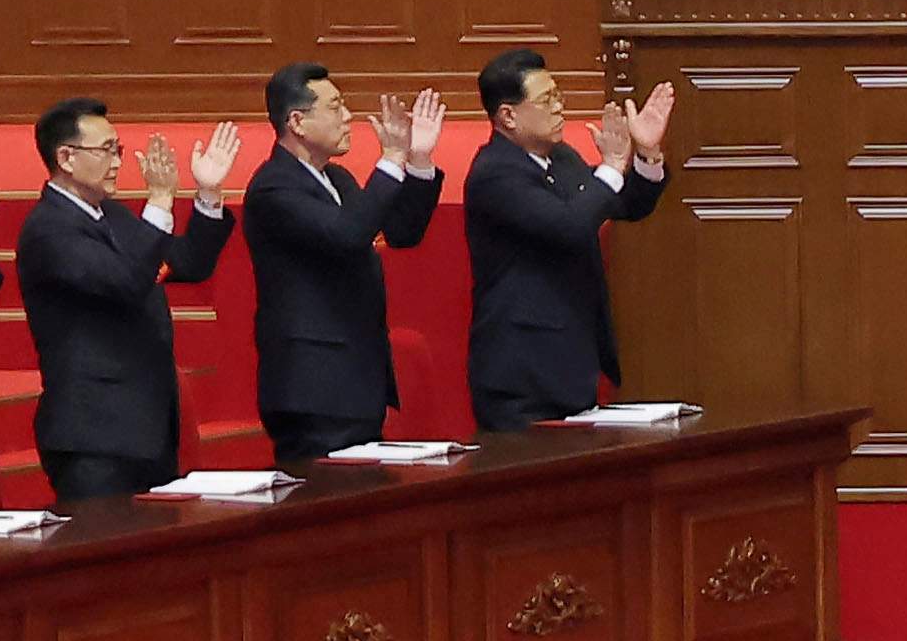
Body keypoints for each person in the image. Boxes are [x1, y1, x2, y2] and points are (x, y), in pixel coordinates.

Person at [11, 99, 244, 509]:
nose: (119, 162)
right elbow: (128, 279)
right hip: (95, 436)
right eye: (107, 151)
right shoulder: (49, 230)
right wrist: (158, 200)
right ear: (66, 157)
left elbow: (186, 262)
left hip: (145, 427)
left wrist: (207, 193)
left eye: (117, 150)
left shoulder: (112, 217)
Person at [238, 62, 449, 460]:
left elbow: (403, 232)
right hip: (311, 388)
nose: (348, 116)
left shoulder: (339, 180)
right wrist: (389, 159)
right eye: (335, 107)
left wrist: (418, 161)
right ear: (297, 121)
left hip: (356, 380)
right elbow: (349, 235)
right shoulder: (273, 187)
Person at [460, 54, 679, 425]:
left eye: (559, 95)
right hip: (521, 377)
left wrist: (646, 153)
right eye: (547, 100)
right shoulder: (494, 174)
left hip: (571, 364)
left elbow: (625, 203)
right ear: (508, 116)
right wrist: (610, 166)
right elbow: (570, 226)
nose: (560, 107)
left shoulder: (561, 158)